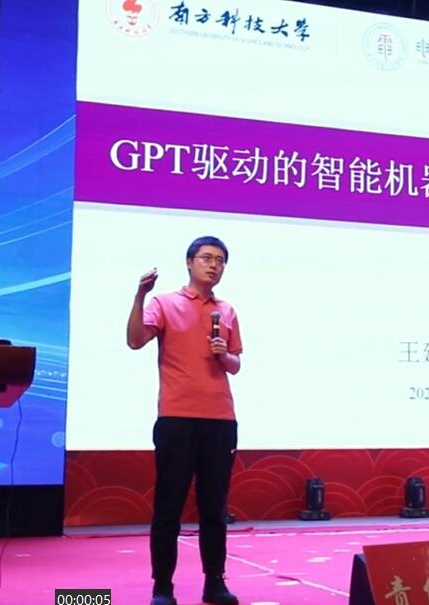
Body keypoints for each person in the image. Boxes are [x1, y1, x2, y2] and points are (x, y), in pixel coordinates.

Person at [127, 236, 242, 605]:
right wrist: (140, 296)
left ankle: (215, 583)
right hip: (176, 418)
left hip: (220, 419)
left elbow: (236, 364)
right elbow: (135, 341)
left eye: (220, 260)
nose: (214, 265)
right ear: (189, 262)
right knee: (169, 505)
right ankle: (162, 586)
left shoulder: (226, 310)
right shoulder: (164, 303)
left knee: (214, 508)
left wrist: (224, 355)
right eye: (207, 258)